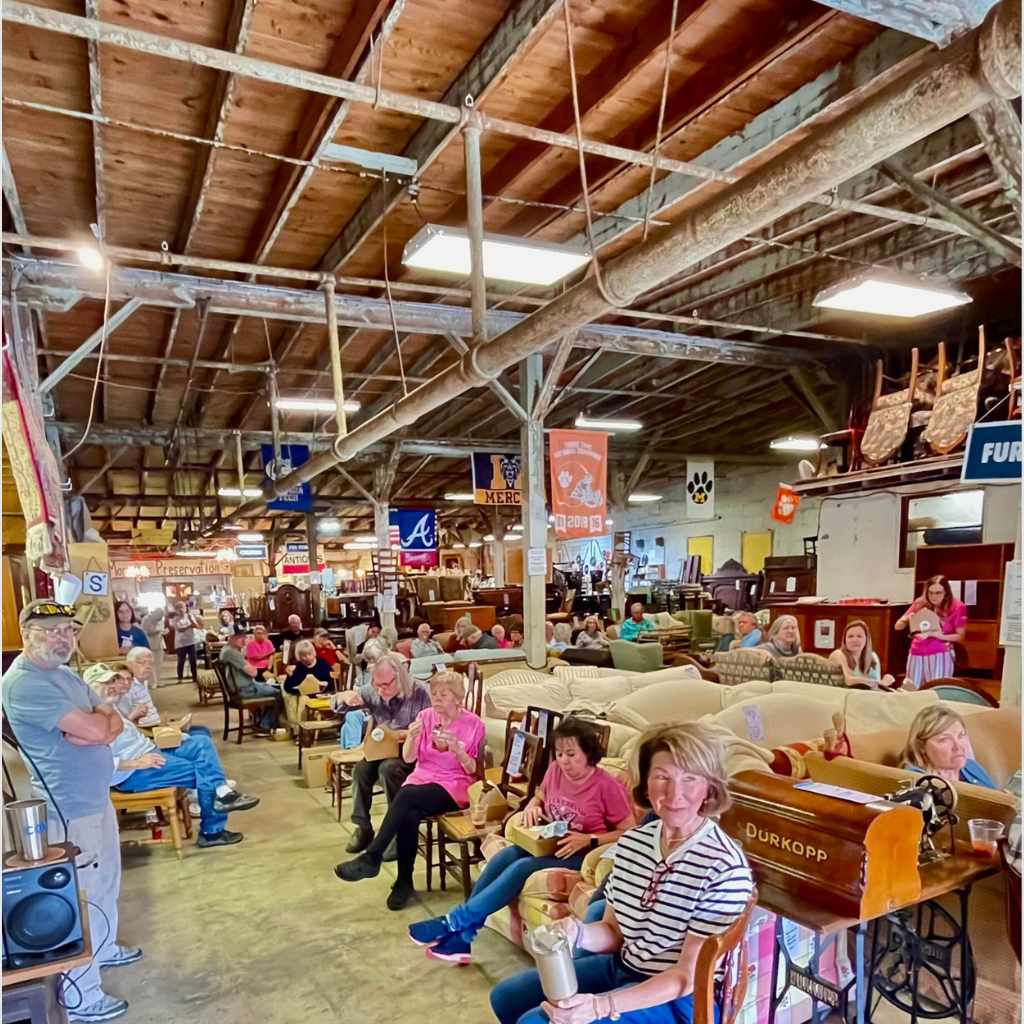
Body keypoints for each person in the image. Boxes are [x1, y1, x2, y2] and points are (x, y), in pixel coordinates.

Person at [490, 722, 755, 1024]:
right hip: (625, 967)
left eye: (690, 779)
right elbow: (614, 933)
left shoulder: (723, 865)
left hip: (680, 998)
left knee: (534, 1022)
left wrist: (600, 1006)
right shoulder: (633, 843)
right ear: (645, 785)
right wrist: (577, 932)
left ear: (710, 788)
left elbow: (686, 976)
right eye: (662, 777)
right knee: (506, 998)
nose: (674, 793)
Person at [409, 718, 636, 964]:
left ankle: (454, 922)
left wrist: (590, 839)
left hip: (579, 853)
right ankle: (462, 937)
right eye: (559, 753)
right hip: (547, 841)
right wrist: (532, 806)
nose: (564, 760)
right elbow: (539, 796)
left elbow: (630, 831)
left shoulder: (606, 786)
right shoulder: (555, 771)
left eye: (571, 754)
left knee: (521, 867)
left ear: (589, 753)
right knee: (507, 855)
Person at [3, 601, 134, 1022]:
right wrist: (96, 729)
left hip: (95, 796)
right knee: (85, 897)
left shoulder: (65, 674)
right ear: (27, 633)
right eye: (50, 630)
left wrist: (96, 729)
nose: (62, 637)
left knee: (107, 885)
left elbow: (112, 722)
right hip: (70, 805)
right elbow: (100, 728)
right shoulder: (25, 683)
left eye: (67, 629)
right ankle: (82, 998)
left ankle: (107, 947)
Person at [335, 670, 485, 910]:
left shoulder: (473, 724)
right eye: (434, 693)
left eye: (443, 694)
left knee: (406, 796)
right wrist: (413, 738)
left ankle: (372, 857)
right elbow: (409, 757)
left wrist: (458, 750)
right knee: (409, 813)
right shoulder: (425, 716)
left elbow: (474, 771)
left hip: (454, 785)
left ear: (457, 698)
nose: (436, 698)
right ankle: (403, 882)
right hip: (423, 777)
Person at [83, 665, 260, 847]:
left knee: (201, 741)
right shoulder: (88, 720)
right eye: (105, 682)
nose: (112, 686)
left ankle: (221, 795)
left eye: (113, 680)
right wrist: (137, 763)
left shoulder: (109, 706)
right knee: (204, 772)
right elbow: (92, 763)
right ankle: (212, 830)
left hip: (151, 751)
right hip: (134, 772)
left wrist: (168, 737)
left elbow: (131, 735)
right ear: (87, 687)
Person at [338, 653, 432, 858]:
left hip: (411, 752)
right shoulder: (374, 690)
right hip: (382, 749)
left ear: (400, 677)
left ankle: (396, 831)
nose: (380, 690)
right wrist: (344, 696)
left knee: (388, 769)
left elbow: (433, 727)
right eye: (377, 685)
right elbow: (338, 705)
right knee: (360, 770)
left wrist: (407, 735)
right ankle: (363, 827)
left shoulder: (421, 692)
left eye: (386, 685)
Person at [895, 575, 968, 689]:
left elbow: (960, 637)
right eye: (930, 593)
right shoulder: (920, 603)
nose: (934, 597)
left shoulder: (957, 606)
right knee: (911, 689)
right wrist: (909, 618)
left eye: (938, 593)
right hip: (917, 652)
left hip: (940, 652)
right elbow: (897, 626)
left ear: (946, 593)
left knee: (937, 689)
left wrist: (938, 635)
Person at [902, 704, 997, 788]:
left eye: (961, 736)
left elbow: (999, 801)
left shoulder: (971, 766)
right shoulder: (917, 780)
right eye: (944, 739)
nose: (958, 746)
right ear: (921, 746)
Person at [218, 631, 282, 732]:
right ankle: (265, 725)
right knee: (278, 693)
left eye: (245, 637)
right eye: (240, 637)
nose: (244, 640)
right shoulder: (232, 653)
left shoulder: (226, 650)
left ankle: (259, 721)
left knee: (271, 686)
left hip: (244, 687)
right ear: (231, 638)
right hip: (244, 690)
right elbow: (253, 673)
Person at [829, 620, 895, 688]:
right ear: (845, 640)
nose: (855, 640)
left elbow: (876, 686)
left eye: (859, 636)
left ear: (867, 639)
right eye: (850, 636)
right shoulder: (838, 654)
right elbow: (848, 680)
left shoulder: (873, 656)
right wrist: (879, 683)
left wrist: (885, 680)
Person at [171, 600, 203, 684]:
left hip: (191, 641)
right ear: (176, 610)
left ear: (185, 608)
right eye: (178, 608)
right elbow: (179, 629)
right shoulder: (175, 619)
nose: (181, 610)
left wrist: (191, 620)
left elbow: (197, 626)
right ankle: (180, 678)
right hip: (180, 643)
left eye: (182, 607)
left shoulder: (190, 616)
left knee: (193, 660)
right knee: (181, 661)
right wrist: (189, 626)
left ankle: (195, 677)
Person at [139, 605, 168, 682]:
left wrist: (163, 631)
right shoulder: (146, 619)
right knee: (150, 663)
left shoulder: (160, 619)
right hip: (149, 643)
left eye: (160, 618)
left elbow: (161, 629)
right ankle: (152, 682)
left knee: (159, 663)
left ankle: (157, 680)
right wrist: (157, 631)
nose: (159, 619)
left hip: (159, 643)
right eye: (158, 617)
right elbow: (146, 632)